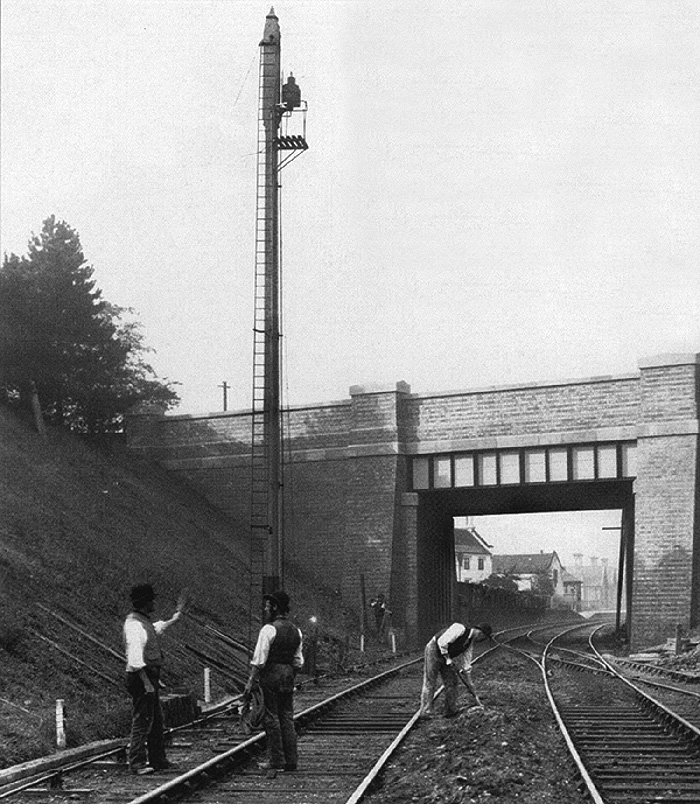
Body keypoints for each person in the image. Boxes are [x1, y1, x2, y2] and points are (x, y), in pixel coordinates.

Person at [123, 583, 185, 775]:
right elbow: (135, 660)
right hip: (141, 678)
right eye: (151, 600)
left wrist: (175, 618)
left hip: (148, 678)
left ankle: (158, 760)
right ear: (145, 602)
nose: (154, 603)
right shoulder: (134, 625)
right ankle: (137, 762)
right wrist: (147, 683)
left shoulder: (143, 622)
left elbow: (157, 627)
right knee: (142, 720)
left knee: (156, 719)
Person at [243, 590, 303, 775]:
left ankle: (275, 759)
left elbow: (259, 660)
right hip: (288, 676)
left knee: (271, 718)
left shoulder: (268, 629)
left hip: (270, 676)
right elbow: (298, 661)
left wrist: (251, 681)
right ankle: (291, 760)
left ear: (275, 607)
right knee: (287, 716)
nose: (265, 609)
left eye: (268, 606)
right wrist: (289, 674)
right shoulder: (296, 631)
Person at [419, 621, 492, 718]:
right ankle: (425, 712)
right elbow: (442, 642)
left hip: (446, 656)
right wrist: (448, 658)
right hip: (434, 650)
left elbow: (466, 665)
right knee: (430, 681)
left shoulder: (469, 644)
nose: (481, 641)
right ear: (480, 634)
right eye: (483, 639)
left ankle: (450, 710)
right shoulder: (459, 628)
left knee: (452, 681)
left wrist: (470, 684)